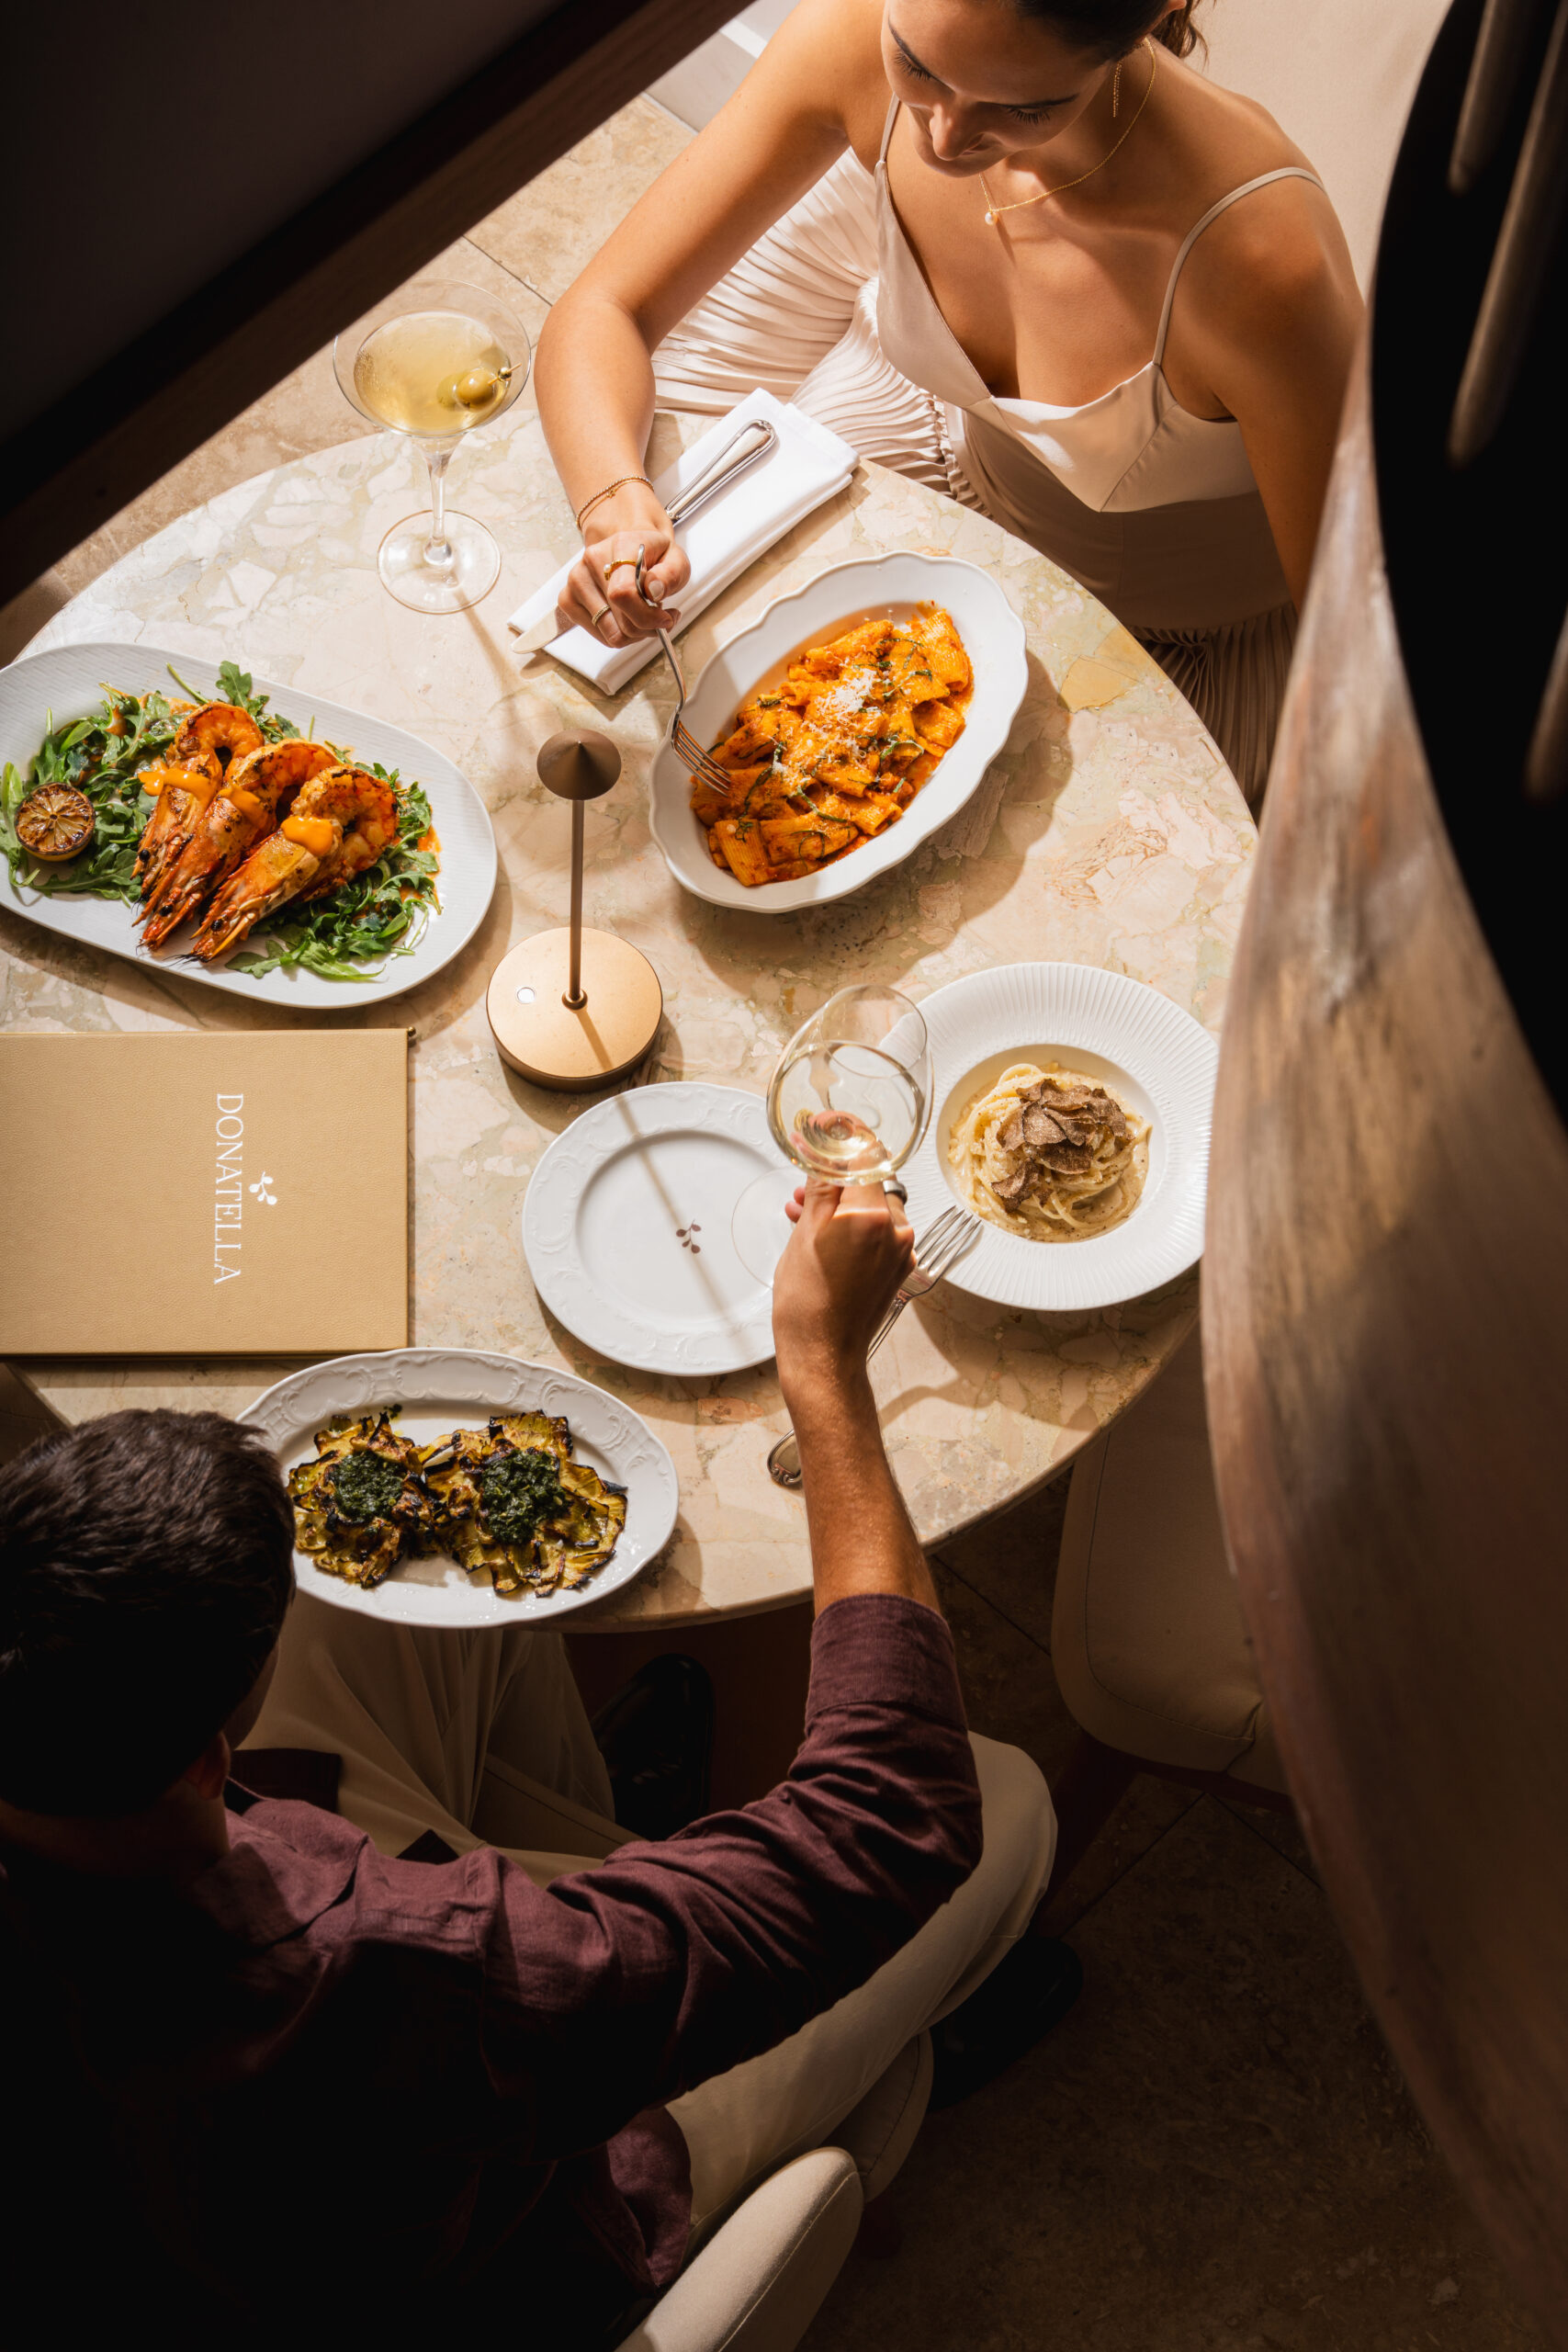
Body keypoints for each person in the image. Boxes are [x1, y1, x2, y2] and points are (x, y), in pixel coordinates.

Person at [0, 1179, 1057, 2337]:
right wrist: (824, 1365)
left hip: (168, 2196)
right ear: (210, 1758)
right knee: (1003, 1794)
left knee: (380, 1606)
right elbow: (896, 1803)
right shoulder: (410, 1976)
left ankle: (615, 1829)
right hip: (513, 2237)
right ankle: (892, 2015)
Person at [535, 0, 1362, 802]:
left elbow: (1363, 641)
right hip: (926, 449)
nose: (944, 138)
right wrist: (617, 511)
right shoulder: (852, 34)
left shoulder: (1259, 265)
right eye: (919, 68)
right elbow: (606, 309)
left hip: (1174, 635)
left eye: (1025, 107)